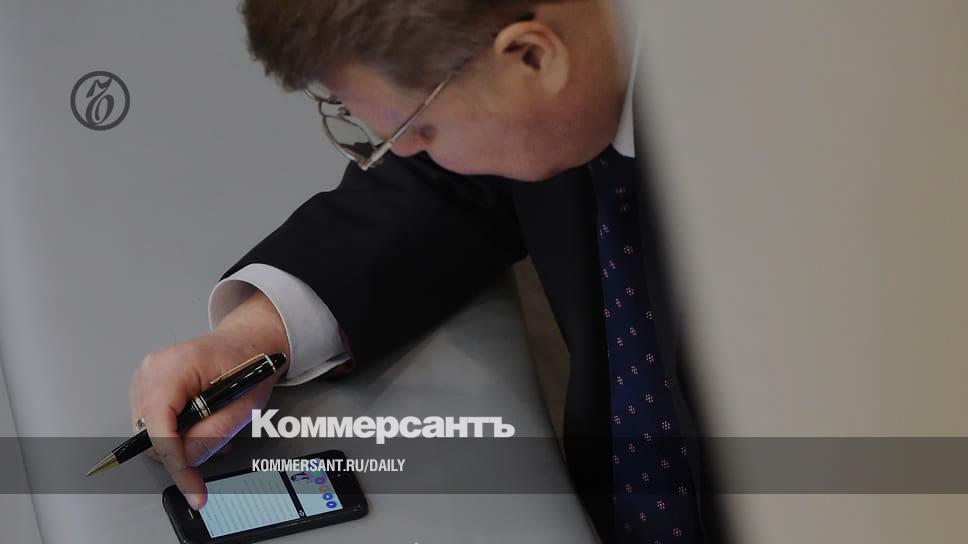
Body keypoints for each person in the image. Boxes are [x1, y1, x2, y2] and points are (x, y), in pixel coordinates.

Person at [128, 1, 717, 541]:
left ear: (533, 57)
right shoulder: (548, 74)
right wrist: (255, 336)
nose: (405, 151)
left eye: (416, 129)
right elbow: (455, 184)